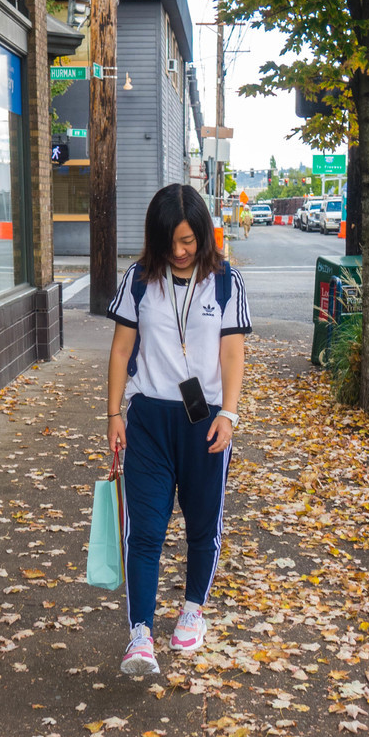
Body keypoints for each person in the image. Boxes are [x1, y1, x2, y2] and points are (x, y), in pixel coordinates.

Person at [107, 184, 252, 677]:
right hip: (148, 419)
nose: (180, 250)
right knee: (144, 529)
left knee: (201, 524)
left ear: (204, 234)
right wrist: (113, 414)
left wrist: (228, 415)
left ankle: (193, 610)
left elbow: (232, 354)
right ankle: (140, 636)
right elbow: (121, 351)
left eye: (189, 239)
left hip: (205, 421)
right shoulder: (140, 280)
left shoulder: (227, 283)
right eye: (171, 241)